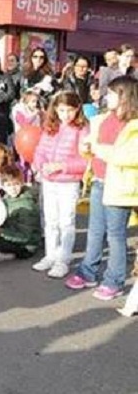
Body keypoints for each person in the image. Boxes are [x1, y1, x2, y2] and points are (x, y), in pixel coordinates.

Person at [66, 76, 138, 300]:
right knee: (95, 231)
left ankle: (114, 281)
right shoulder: (103, 119)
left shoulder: (134, 125)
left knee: (115, 236)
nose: (108, 97)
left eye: (113, 93)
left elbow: (130, 156)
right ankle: (87, 271)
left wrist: (98, 149)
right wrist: (86, 147)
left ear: (125, 96)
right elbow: (93, 145)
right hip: (98, 180)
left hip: (120, 187)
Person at [32, 91, 89, 279]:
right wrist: (41, 166)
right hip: (49, 180)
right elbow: (40, 150)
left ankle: (63, 259)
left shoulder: (82, 129)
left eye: (70, 110)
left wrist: (62, 166)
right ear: (55, 109)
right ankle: (50, 255)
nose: (66, 115)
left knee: (66, 221)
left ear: (77, 109)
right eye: (62, 110)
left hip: (69, 182)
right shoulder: (50, 126)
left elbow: (85, 160)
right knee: (50, 220)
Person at [0, 165, 41, 261]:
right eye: (9, 185)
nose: (13, 188)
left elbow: (26, 236)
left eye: (16, 184)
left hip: (26, 246)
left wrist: (0, 232)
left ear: (22, 183)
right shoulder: (6, 199)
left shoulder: (27, 205)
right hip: (13, 234)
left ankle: (9, 254)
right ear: (3, 186)